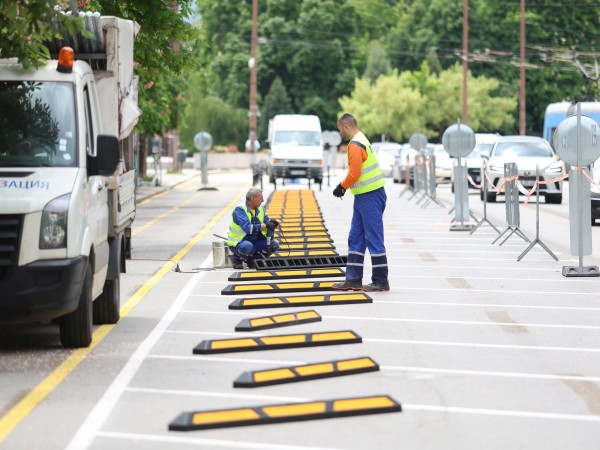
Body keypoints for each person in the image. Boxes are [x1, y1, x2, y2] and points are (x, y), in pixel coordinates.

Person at [331, 113, 389, 292]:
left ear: (346, 126)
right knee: (355, 237)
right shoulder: (361, 138)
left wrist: (341, 186)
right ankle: (353, 279)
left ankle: (380, 280)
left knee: (374, 238)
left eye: (340, 128)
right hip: (365, 196)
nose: (339, 132)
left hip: (370, 196)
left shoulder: (355, 145)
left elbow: (354, 173)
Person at [227, 187, 280, 269]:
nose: (262, 200)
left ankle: (253, 259)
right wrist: (264, 225)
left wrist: (272, 223)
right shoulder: (240, 210)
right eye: (261, 198)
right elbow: (248, 228)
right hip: (239, 243)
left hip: (255, 241)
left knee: (274, 244)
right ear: (252, 198)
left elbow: (266, 221)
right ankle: (236, 259)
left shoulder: (260, 209)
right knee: (248, 246)